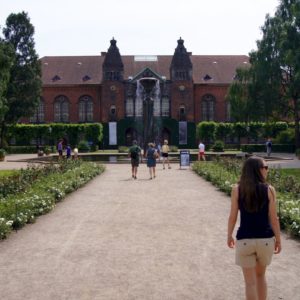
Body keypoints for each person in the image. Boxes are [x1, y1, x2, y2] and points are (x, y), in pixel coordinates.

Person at [227, 156, 281, 300]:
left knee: (250, 283)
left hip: (245, 239)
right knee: (261, 276)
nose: (267, 170)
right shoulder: (269, 190)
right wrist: (279, 240)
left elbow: (232, 216)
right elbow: (274, 219)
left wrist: (229, 235)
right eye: (265, 167)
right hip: (265, 239)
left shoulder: (237, 189)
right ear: (258, 170)